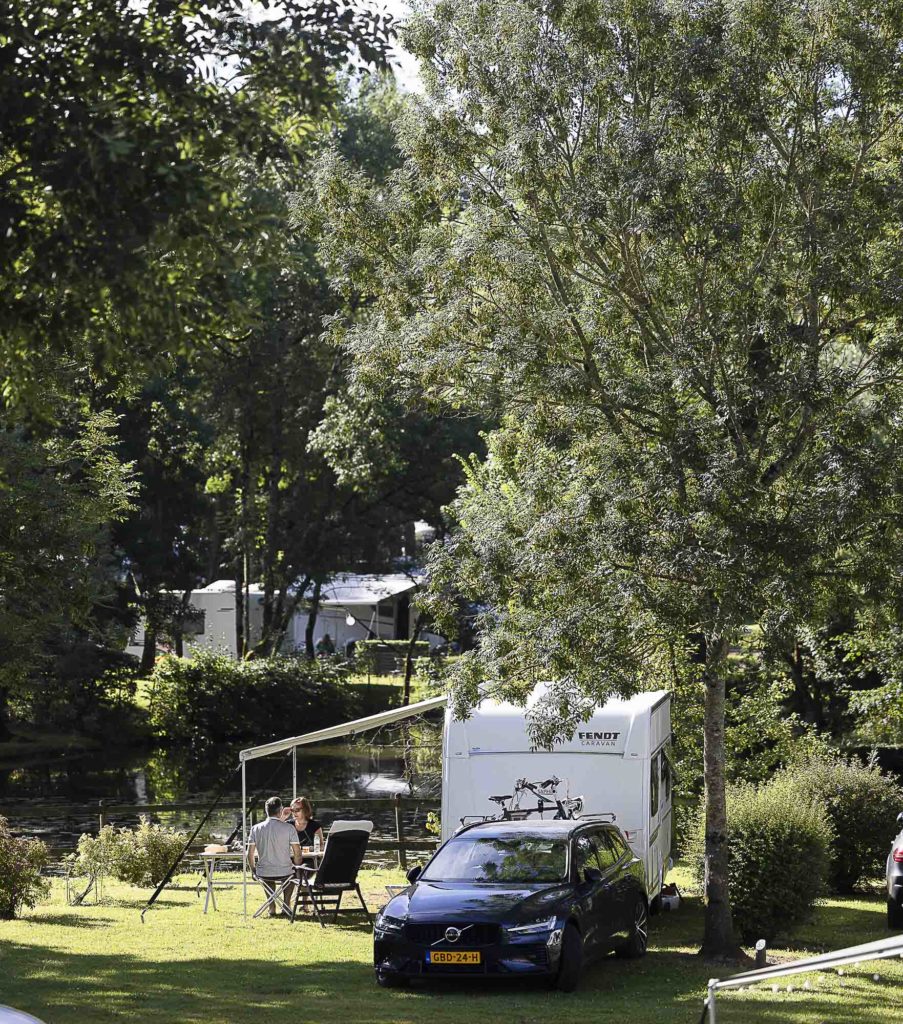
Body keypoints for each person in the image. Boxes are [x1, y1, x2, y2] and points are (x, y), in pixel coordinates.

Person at [247, 796, 301, 918]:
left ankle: (271, 907)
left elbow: (249, 854)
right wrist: (297, 868)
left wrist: (253, 870)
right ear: (281, 810)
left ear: (266, 810)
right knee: (291, 876)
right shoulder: (289, 828)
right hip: (285, 870)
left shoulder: (255, 829)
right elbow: (297, 852)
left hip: (264, 871)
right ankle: (286, 905)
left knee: (268, 877)